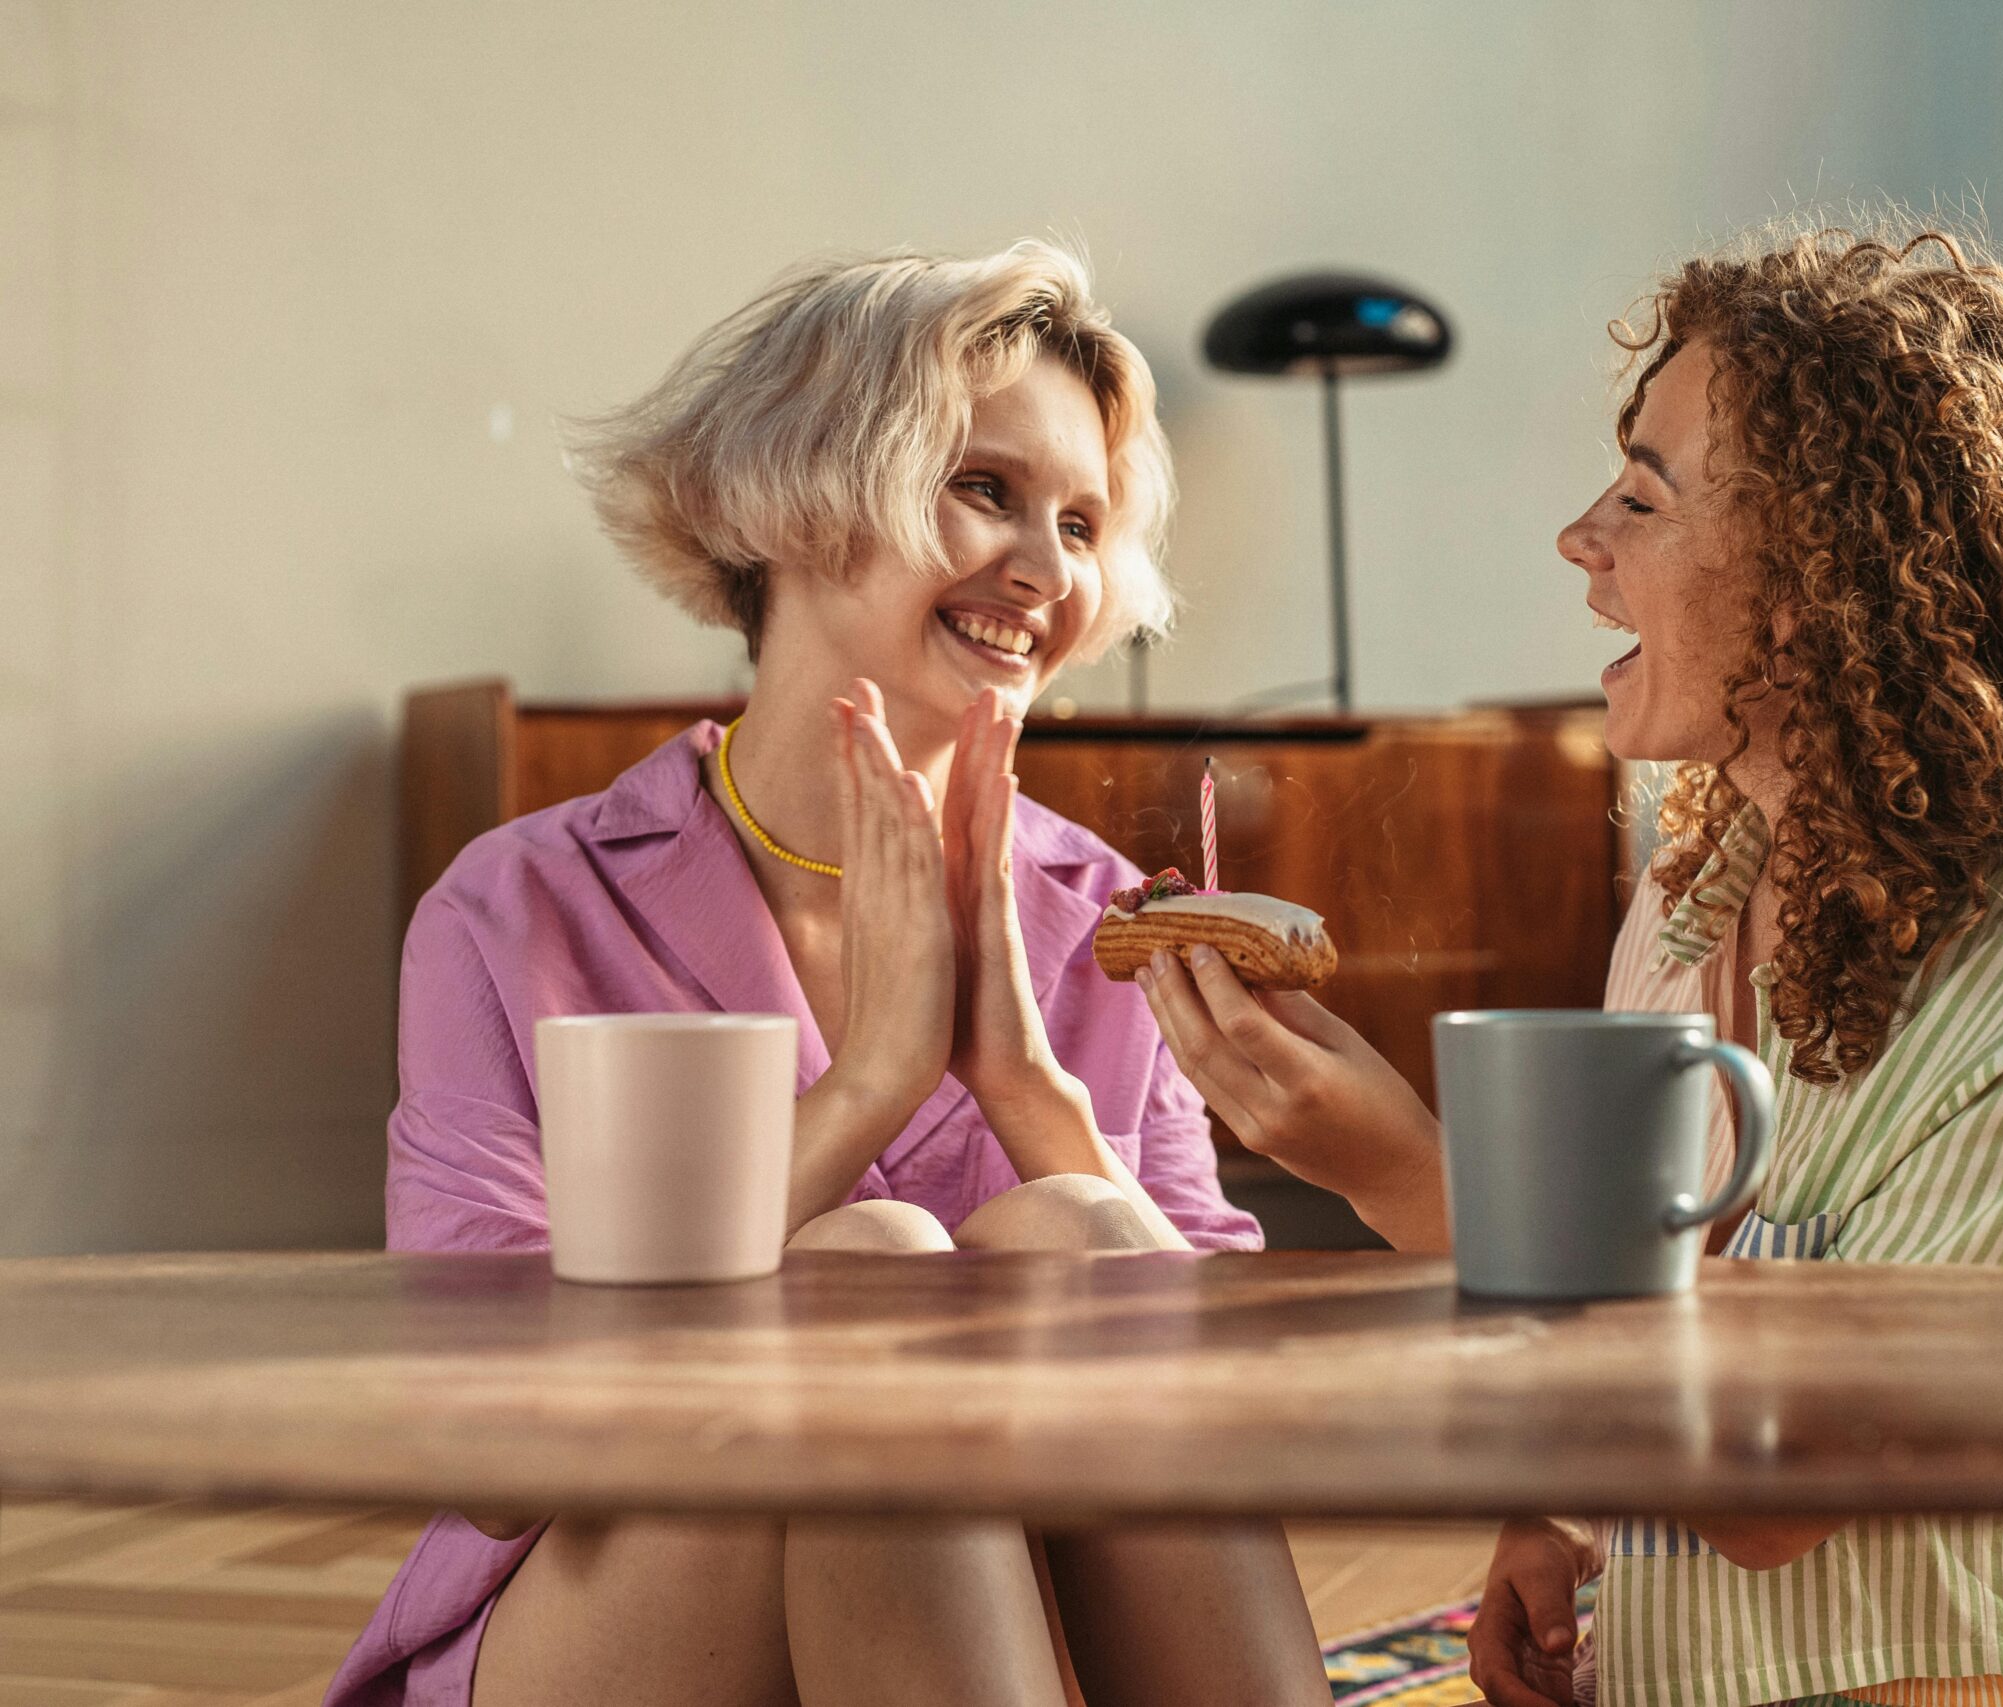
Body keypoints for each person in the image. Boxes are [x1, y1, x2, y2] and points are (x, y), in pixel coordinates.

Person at [1140, 224, 2003, 1707]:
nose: (1579, 539)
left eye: (1642, 497)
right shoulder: (1691, 903)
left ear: (1830, 572)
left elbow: (1785, 1484)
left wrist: (1407, 1179)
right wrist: (1562, 1511)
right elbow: (1663, 1333)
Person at [328, 244, 1327, 1707]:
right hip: (617, 1626)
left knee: (1088, 1226)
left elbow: (1227, 1429)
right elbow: (492, 1457)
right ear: (803, 492)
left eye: (1081, 524)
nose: (1047, 573)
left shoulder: (1108, 919)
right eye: (983, 490)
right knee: (867, 1281)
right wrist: (858, 1101)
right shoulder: (516, 906)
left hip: (1035, 1643)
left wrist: (1029, 1091)